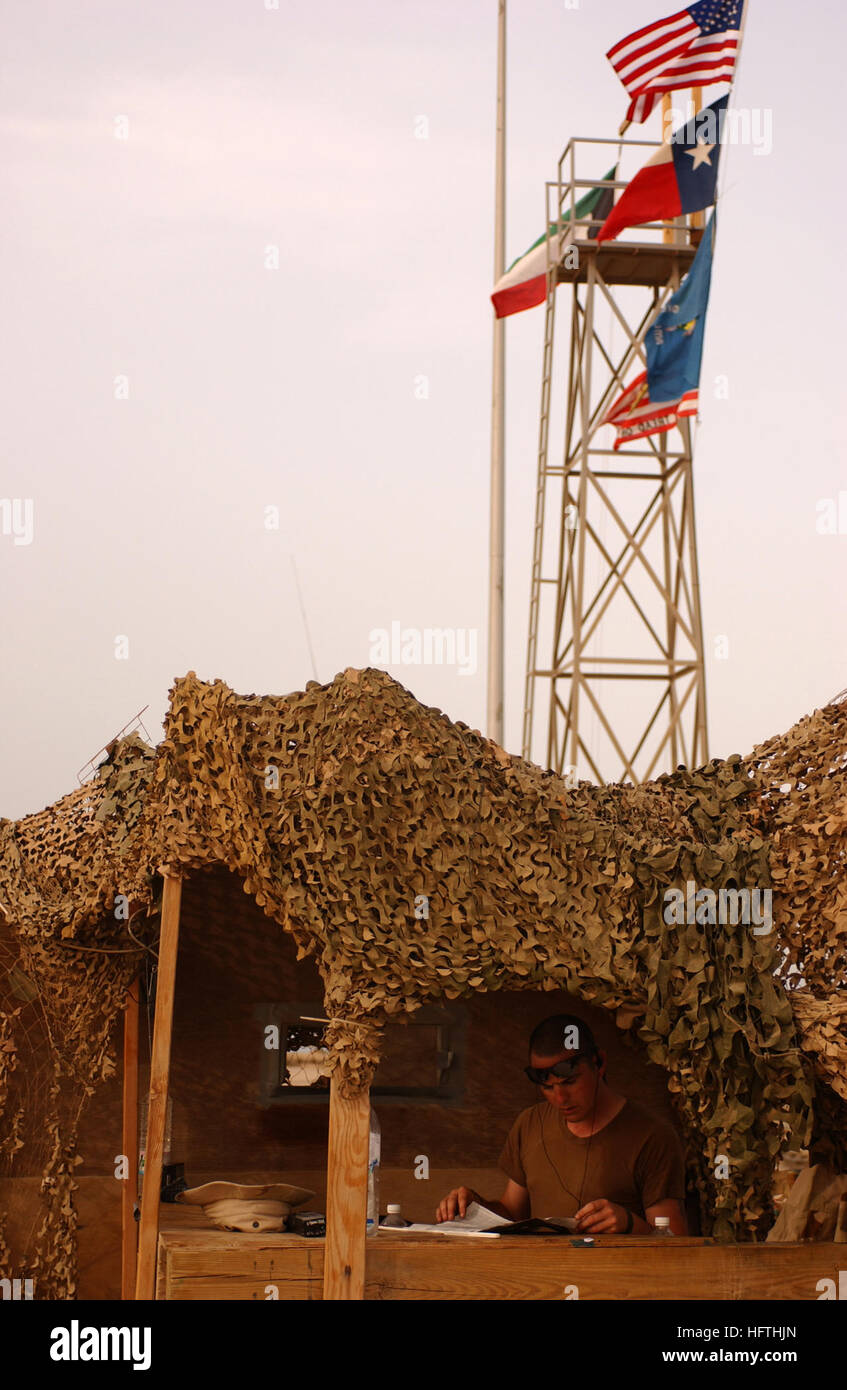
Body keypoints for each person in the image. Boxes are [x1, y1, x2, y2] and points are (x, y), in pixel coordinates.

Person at [436, 1013, 688, 1235]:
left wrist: (629, 1225)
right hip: (544, 1278)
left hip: (618, 1282)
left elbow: (675, 1242)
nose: (560, 1098)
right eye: (547, 1087)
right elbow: (512, 1215)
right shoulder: (530, 1123)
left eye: (570, 1082)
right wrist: (473, 1207)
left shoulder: (651, 1135)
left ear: (599, 1063)